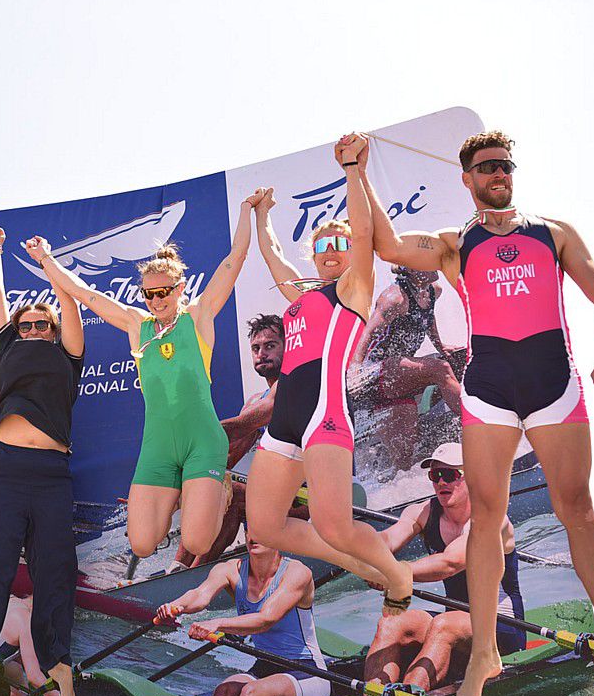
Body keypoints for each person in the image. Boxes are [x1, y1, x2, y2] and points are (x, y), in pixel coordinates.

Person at [365, 130, 594, 696]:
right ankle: (485, 652)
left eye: (506, 165)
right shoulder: (453, 244)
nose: (500, 173)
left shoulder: (553, 233)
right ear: (467, 177)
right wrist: (357, 171)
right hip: (488, 389)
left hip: (552, 382)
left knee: (577, 508)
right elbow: (387, 245)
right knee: (487, 516)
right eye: (488, 166)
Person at [244, 135, 412, 614]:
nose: (333, 250)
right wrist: (262, 215)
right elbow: (274, 256)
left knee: (334, 524)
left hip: (325, 412)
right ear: (314, 256)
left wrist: (352, 170)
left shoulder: (354, 288)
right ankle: (359, 564)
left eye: (340, 244)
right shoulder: (301, 298)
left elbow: (364, 233)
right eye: (323, 246)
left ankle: (396, 574)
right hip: (286, 420)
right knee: (265, 526)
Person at [38, 196, 254, 563]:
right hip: (159, 447)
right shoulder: (138, 326)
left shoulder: (198, 316)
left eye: (163, 292)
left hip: (202, 442)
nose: (155, 300)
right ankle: (182, 493)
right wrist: (46, 258)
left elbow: (235, 258)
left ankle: (220, 486)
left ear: (179, 288)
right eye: (148, 293)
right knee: (141, 543)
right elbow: (85, 293)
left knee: (198, 542)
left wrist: (248, 210)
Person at [0, 227, 84, 696]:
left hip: (51, 473)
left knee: (57, 572)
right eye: (26, 324)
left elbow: (69, 303)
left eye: (41, 325)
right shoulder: (5, 348)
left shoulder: (68, 354)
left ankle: (59, 666)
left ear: (54, 330)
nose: (33, 330)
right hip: (2, 468)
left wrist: (48, 261)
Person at [145, 533, 330, 696]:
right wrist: (175, 606)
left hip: (307, 673)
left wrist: (218, 623)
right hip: (264, 668)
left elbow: (265, 619)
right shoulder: (229, 569)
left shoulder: (297, 573)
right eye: (250, 528)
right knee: (225, 689)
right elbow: (199, 595)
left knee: (253, 692)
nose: (254, 535)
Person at [364, 443, 525, 693]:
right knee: (392, 621)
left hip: (502, 627)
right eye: (435, 475)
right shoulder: (423, 512)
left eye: (450, 475)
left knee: (444, 624)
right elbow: (388, 539)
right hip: (454, 621)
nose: (441, 482)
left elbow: (450, 563)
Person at [170, 314, 307, 568]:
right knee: (213, 485)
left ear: (288, 347)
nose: (261, 354)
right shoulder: (255, 401)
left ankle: (188, 573)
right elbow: (226, 457)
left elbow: (238, 427)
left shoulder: (294, 383)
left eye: (270, 346)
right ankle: (180, 570)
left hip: (309, 499)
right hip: (277, 499)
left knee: (229, 493)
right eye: (256, 348)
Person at [351, 266, 462, 473]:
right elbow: (367, 334)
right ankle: (478, 425)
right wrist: (355, 369)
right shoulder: (395, 298)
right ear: (409, 268)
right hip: (377, 373)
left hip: (398, 378)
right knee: (441, 369)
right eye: (425, 261)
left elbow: (428, 318)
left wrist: (441, 345)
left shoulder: (434, 290)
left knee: (403, 460)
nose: (433, 264)